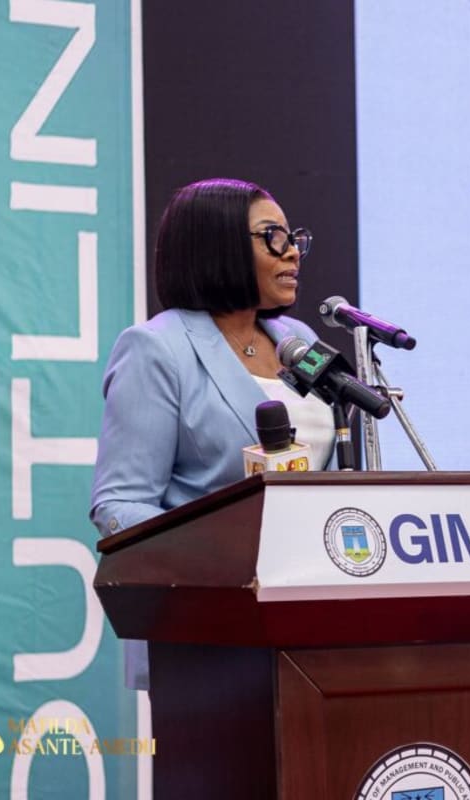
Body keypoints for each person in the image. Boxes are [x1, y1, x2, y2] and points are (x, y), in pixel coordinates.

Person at [90, 178, 331, 687]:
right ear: (216, 243)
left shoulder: (299, 341)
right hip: (212, 634)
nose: (293, 253)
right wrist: (228, 557)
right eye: (273, 238)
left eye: (295, 239)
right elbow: (120, 504)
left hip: (315, 621)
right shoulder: (156, 348)